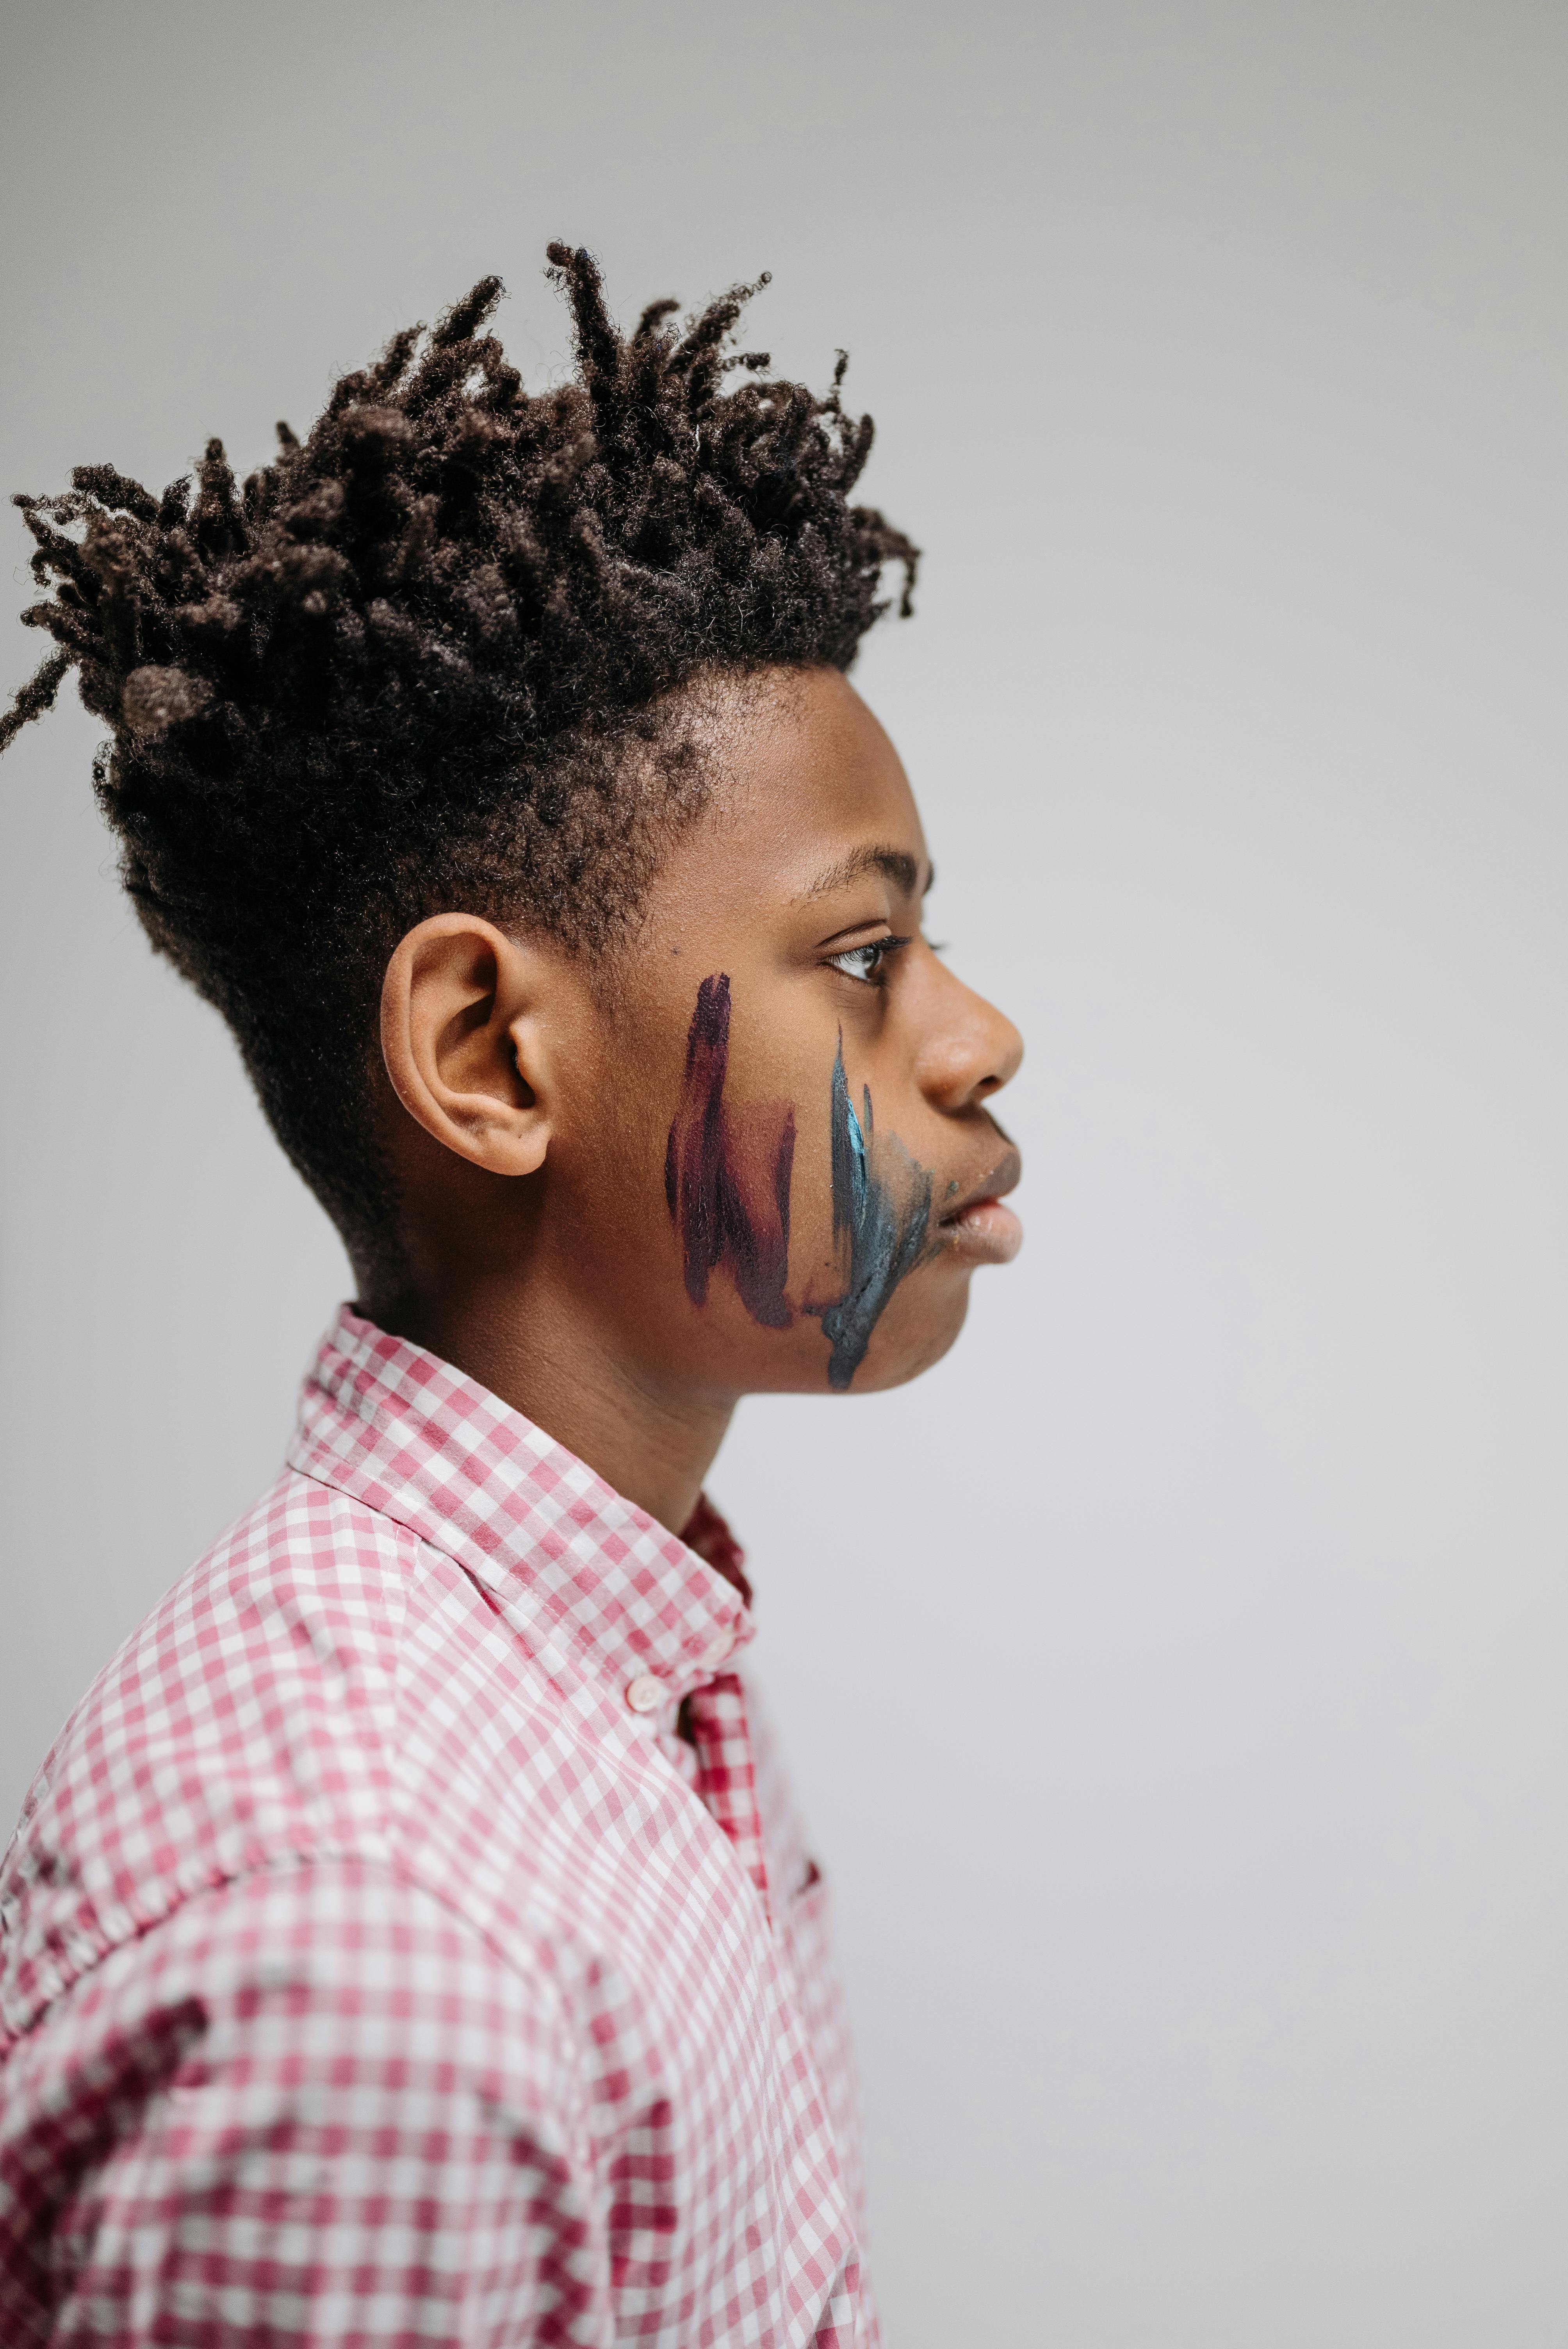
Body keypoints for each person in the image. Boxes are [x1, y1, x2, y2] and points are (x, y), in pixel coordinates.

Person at [0, 246, 1023, 2346]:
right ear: (487, 1056)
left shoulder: (614, 1681)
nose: (981, 1037)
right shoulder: (386, 1952)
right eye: (861, 958)